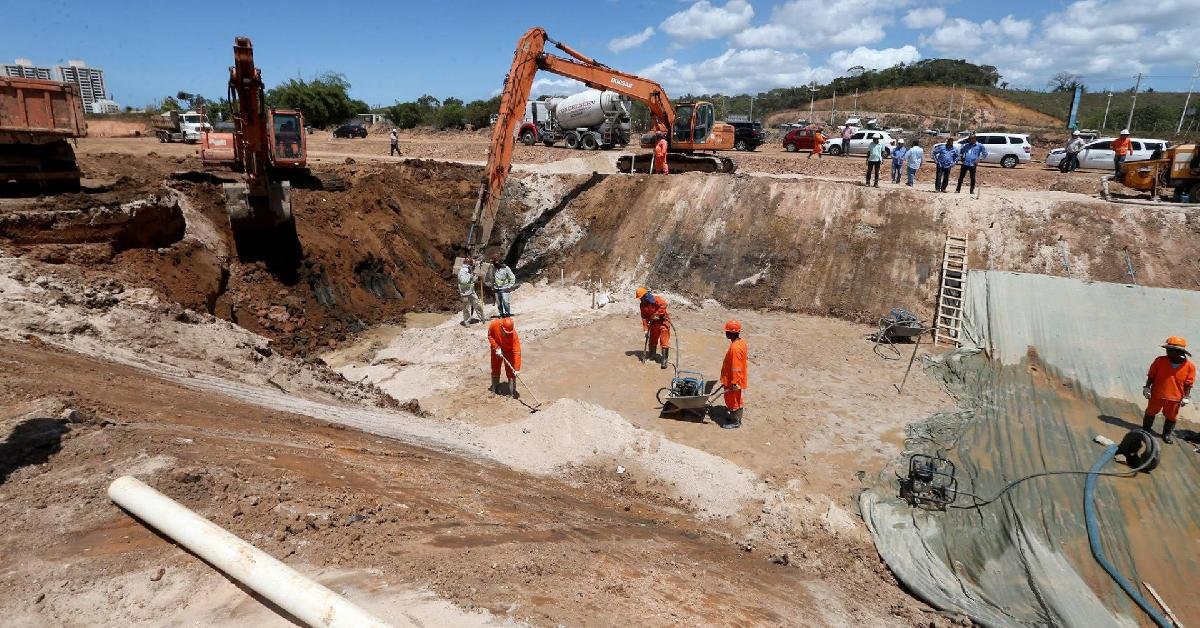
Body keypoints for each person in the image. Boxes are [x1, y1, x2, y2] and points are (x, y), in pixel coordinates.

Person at [1142, 336, 1195, 444]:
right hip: (1157, 394)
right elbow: (1151, 375)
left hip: (1175, 398)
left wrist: (1186, 396)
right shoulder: (1160, 361)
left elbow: (1188, 383)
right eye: (1167, 349)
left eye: (1170, 350)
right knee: (1150, 412)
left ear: (1179, 352)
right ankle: (1145, 430)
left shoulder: (1190, 366)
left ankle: (1166, 434)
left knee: (1171, 417)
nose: (1167, 351)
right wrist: (1147, 387)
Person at [720, 320, 748, 429]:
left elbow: (736, 367)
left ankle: (735, 422)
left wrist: (734, 382)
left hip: (733, 380)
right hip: (735, 378)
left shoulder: (735, 348)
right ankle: (735, 417)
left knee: (732, 400)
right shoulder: (741, 343)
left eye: (727, 331)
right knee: (736, 399)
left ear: (731, 333)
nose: (725, 333)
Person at [636, 286, 671, 369]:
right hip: (653, 324)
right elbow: (644, 317)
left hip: (663, 322)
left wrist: (657, 314)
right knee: (652, 339)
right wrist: (645, 329)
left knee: (664, 341)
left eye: (642, 297)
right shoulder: (642, 305)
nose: (641, 299)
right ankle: (652, 355)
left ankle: (664, 360)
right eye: (640, 298)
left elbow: (664, 304)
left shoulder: (656, 299)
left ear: (646, 295)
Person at [487, 317, 522, 397]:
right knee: (495, 367)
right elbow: (490, 335)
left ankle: (511, 392)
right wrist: (496, 347)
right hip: (497, 348)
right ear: (501, 327)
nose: (507, 334)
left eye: (509, 333)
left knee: (511, 372)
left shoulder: (514, 336)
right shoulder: (494, 324)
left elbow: (517, 352)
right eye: (506, 333)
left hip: (509, 351)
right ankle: (494, 388)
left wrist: (516, 369)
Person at [458, 258, 483, 326]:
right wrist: (471, 274)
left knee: (477, 304)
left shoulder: (469, 270)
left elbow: (473, 280)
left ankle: (482, 318)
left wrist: (477, 277)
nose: (472, 266)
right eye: (471, 265)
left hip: (471, 291)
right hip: (465, 293)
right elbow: (464, 281)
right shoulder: (462, 271)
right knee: (466, 308)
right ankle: (467, 322)